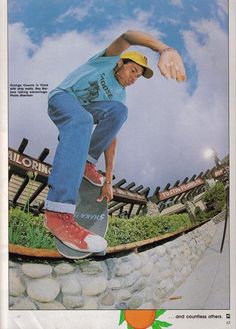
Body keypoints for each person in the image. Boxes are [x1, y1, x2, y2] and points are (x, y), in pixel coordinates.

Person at [44, 30, 186, 254]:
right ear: (120, 63)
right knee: (82, 119)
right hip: (62, 98)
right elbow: (128, 36)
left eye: (138, 76)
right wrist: (164, 49)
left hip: (83, 113)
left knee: (119, 112)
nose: (133, 78)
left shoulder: (119, 94)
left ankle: (86, 162)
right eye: (132, 70)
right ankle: (58, 214)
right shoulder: (106, 60)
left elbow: (110, 138)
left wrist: (108, 179)